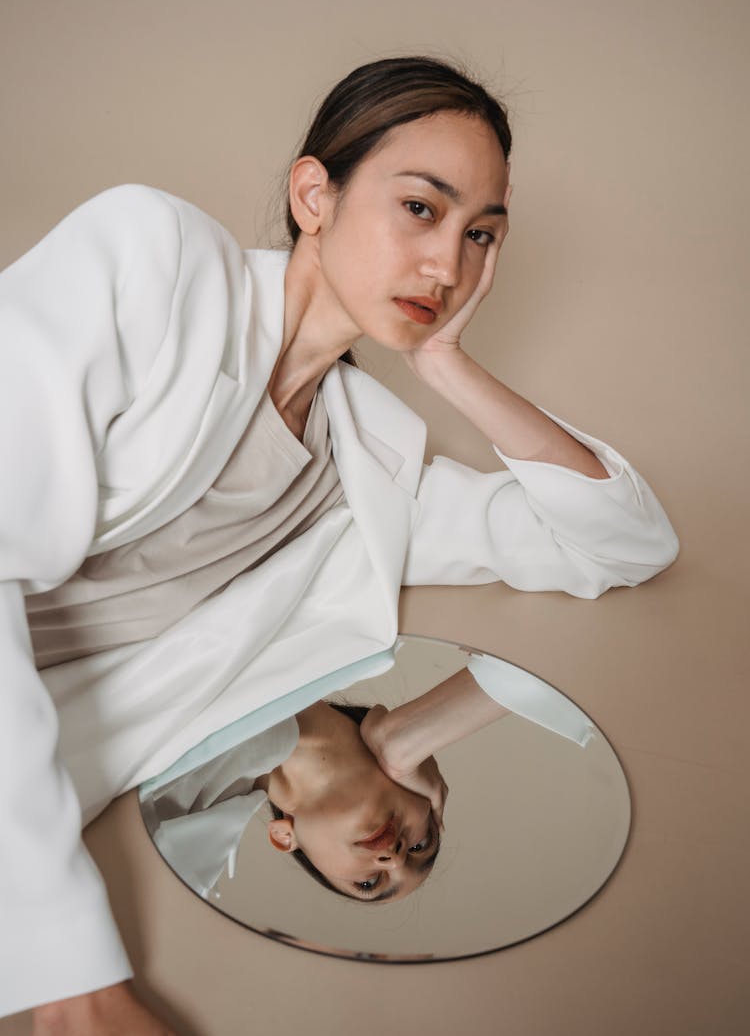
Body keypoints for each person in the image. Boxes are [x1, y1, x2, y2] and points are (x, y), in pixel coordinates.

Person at [0, 55, 678, 1032]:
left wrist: (445, 365)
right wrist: (74, 986)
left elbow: (623, 546)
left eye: (482, 233)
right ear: (314, 193)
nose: (450, 265)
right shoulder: (151, 261)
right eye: (420, 208)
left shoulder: (366, 469)